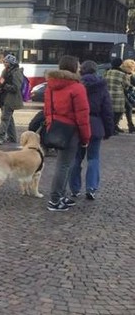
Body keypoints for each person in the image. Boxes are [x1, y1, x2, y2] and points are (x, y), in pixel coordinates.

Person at [44, 55, 91, 212]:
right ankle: (55, 200)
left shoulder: (50, 85)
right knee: (64, 165)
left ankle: (61, 195)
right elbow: (82, 116)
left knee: (64, 164)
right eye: (78, 66)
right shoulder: (77, 87)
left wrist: (51, 124)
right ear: (73, 68)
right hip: (71, 131)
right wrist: (85, 137)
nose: (79, 68)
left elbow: (47, 109)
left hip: (56, 128)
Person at [68, 60, 114, 201]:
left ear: (81, 71)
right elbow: (107, 111)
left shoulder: (77, 85)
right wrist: (108, 130)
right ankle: (91, 188)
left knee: (76, 158)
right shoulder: (101, 87)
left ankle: (75, 189)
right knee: (93, 158)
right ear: (95, 71)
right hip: (96, 125)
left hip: (77, 125)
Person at [0, 53, 24, 144]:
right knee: (9, 119)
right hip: (3, 98)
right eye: (4, 61)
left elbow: (16, 88)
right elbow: (1, 81)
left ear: (11, 63)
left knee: (5, 119)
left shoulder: (17, 72)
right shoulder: (5, 71)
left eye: (6, 62)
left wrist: (4, 86)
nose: (4, 63)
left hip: (11, 100)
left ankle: (0, 138)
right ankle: (12, 138)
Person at [103, 57, 132, 134]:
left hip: (108, 94)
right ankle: (113, 127)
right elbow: (127, 85)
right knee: (119, 112)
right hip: (118, 96)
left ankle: (113, 127)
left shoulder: (107, 72)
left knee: (111, 112)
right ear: (120, 64)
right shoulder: (122, 74)